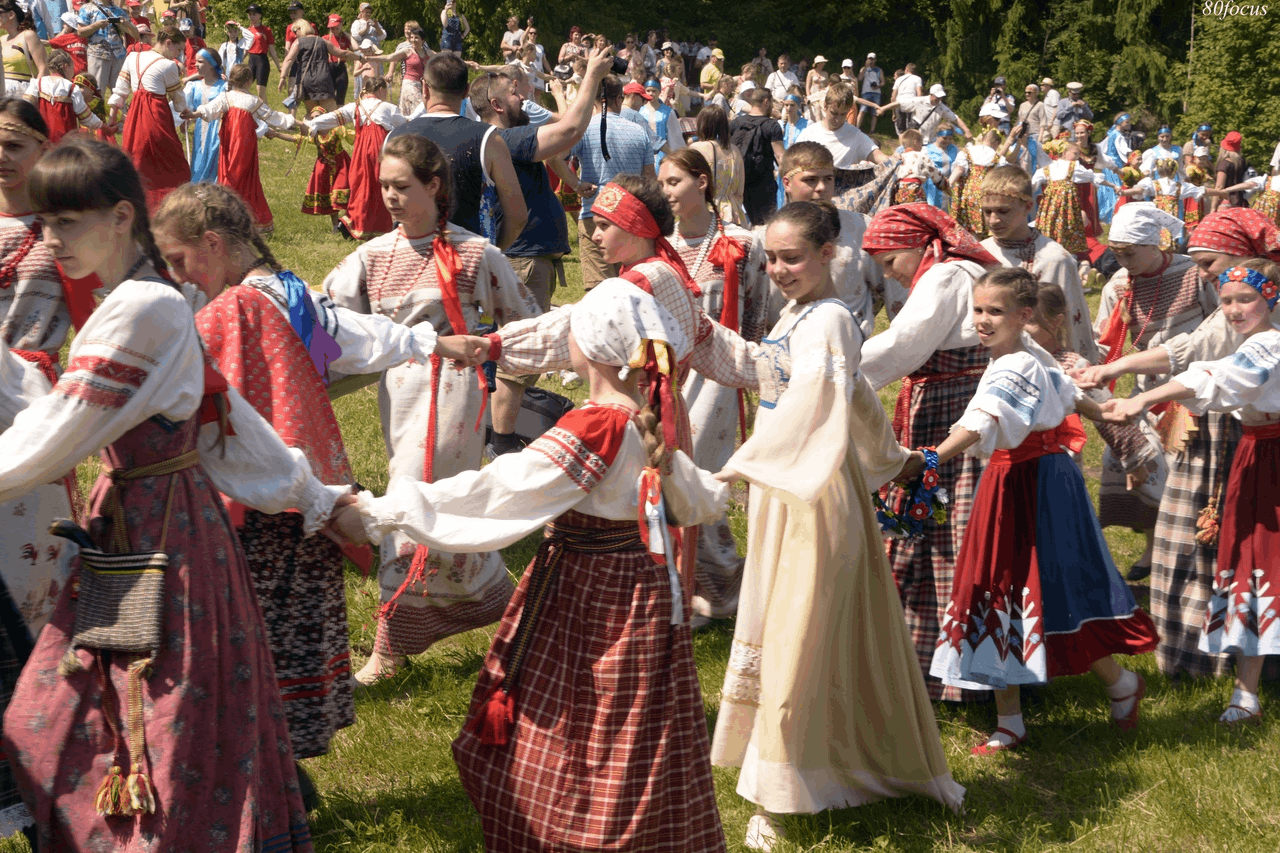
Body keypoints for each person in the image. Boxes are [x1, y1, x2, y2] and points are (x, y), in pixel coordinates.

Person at [1, 135, 345, 853]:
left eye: (66, 222)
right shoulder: (141, 301)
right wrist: (311, 491)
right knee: (112, 714)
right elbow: (226, 418)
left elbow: (57, 432)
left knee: (138, 717)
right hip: (148, 524)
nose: (50, 238)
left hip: (162, 540)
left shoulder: (143, 311)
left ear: (122, 216)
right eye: (45, 222)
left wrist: (316, 496)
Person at [329, 277, 729, 852]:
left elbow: (500, 490)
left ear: (588, 347)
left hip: (590, 596)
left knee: (573, 729)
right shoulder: (643, 420)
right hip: (643, 593)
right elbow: (696, 499)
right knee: (634, 729)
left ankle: (581, 834)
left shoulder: (598, 426)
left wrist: (376, 513)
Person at [154, 179, 477, 777]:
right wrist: (426, 339)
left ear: (214, 242)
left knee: (251, 650)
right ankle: (283, 779)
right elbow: (351, 335)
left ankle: (272, 784)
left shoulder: (236, 308)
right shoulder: (283, 291)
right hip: (307, 497)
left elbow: (212, 406)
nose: (178, 276)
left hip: (266, 500)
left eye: (180, 260)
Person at [710, 201, 964, 848]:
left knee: (801, 639)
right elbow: (851, 402)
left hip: (814, 493)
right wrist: (892, 460)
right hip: (788, 484)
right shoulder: (800, 315)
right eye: (772, 257)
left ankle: (783, 788)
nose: (779, 268)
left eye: (793, 256)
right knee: (797, 629)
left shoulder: (829, 321)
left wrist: (736, 467)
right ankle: (829, 767)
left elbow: (816, 402)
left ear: (830, 254)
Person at [324, 133, 540, 684]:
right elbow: (329, 320)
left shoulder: (474, 253)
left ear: (434, 186)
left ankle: (391, 646)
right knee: (446, 502)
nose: (391, 197)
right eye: (384, 187)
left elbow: (525, 316)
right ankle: (500, 605)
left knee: (413, 498)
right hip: (402, 393)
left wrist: (493, 356)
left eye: (402, 186)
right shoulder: (372, 256)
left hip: (459, 394)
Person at [929, 267, 1159, 752]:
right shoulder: (1027, 352)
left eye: (995, 311)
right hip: (1029, 477)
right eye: (978, 310)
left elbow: (983, 417)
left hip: (1030, 481)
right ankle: (1044, 708)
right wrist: (1100, 411)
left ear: (1024, 314)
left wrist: (930, 458)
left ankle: (1030, 713)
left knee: (1019, 585)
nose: (983, 320)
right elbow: (1067, 387)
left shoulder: (1014, 365)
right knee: (1018, 588)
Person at [1072, 207, 1280, 680]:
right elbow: (1196, 354)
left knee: (1233, 544)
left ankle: (1235, 665)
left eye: (1208, 263)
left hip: (1240, 434)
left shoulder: (1259, 317)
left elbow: (1212, 366)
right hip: (1233, 427)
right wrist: (1116, 369)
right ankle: (1222, 662)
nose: (1203, 274)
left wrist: (1134, 388)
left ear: (1242, 258)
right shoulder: (1240, 306)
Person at [860, 203, 1004, 700]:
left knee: (946, 532)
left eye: (890, 260)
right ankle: (941, 669)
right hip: (943, 406)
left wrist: (833, 371)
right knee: (933, 527)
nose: (890, 275)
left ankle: (958, 676)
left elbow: (903, 346)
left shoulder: (946, 276)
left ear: (922, 246)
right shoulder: (952, 272)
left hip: (951, 413)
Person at [469, 50, 612, 455]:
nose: (522, 102)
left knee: (515, 356)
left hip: (530, 256)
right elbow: (568, 133)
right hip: (525, 258)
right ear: (496, 104)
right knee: (518, 357)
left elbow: (561, 139)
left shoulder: (507, 139)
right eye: (514, 96)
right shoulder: (505, 140)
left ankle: (499, 436)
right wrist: (592, 78)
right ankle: (502, 444)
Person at [659, 148, 770, 626]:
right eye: (661, 184)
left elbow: (760, 309)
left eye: (673, 182)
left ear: (702, 183)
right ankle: (697, 587)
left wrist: (755, 370)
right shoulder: (659, 247)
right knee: (670, 477)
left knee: (702, 475)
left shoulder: (741, 243)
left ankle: (723, 587)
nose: (666, 192)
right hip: (666, 378)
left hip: (718, 378)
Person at [388, 53, 527, 250]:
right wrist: (492, 253)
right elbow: (517, 215)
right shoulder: (488, 138)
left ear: (425, 88)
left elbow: (392, 209)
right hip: (467, 264)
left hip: (408, 261)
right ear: (466, 92)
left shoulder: (394, 137)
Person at [980, 164, 1097, 360]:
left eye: (1003, 211)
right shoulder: (980, 254)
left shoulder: (1055, 259)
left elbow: (1074, 323)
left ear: (1027, 206)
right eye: (987, 211)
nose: (993, 220)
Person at [185, 62, 299, 232]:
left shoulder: (226, 97)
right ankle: (246, 220)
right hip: (244, 146)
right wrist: (296, 121)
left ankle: (224, 217)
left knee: (228, 176)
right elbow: (274, 118)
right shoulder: (252, 101)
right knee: (245, 179)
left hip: (228, 145)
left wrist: (194, 113)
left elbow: (209, 109)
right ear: (248, 82)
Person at [306, 74, 403, 240]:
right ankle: (380, 225)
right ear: (380, 90)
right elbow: (404, 123)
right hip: (381, 149)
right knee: (381, 184)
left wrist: (314, 124)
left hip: (361, 150)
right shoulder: (388, 107)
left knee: (361, 184)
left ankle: (356, 222)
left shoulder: (356, 107)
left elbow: (333, 118)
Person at [107, 25, 188, 209]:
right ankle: (165, 204)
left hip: (134, 119)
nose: (178, 54)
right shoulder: (168, 66)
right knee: (170, 161)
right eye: (178, 49)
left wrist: (112, 116)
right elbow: (178, 101)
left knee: (137, 159)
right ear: (168, 43)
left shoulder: (132, 57)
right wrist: (186, 112)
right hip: (156, 117)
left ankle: (137, 203)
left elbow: (120, 91)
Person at [1033, 140, 1105, 257]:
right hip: (1054, 208)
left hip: (1063, 208)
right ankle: (1059, 252)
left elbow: (1092, 177)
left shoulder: (1064, 168)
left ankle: (1062, 253)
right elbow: (1093, 177)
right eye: (1075, 154)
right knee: (1057, 227)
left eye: (1078, 154)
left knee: (1061, 227)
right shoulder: (1050, 169)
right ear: (1064, 152)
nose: (1077, 157)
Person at [21, 49, 102, 142]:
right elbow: (86, 119)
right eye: (73, 68)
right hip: (65, 141)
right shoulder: (71, 88)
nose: (73, 72)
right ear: (66, 66)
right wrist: (102, 126)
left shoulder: (37, 83)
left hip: (41, 138)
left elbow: (25, 105)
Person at [280, 19, 358, 114]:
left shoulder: (298, 42)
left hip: (306, 81)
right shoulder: (322, 41)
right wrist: (360, 58)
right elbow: (342, 53)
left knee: (311, 113)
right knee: (332, 114)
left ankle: (307, 128)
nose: (295, 35)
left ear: (301, 28)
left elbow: (288, 59)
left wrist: (283, 77)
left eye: (295, 31)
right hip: (323, 80)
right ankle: (334, 129)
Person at [301, 103, 349, 229]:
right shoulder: (315, 134)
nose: (314, 119)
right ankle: (335, 226)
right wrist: (277, 134)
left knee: (342, 192)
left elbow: (352, 136)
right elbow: (297, 139)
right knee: (329, 196)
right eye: (312, 117)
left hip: (341, 165)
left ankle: (349, 221)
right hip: (324, 168)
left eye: (317, 116)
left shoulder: (336, 130)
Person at [75, 0, 136, 99]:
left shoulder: (119, 11)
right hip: (98, 55)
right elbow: (80, 32)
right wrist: (96, 25)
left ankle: (122, 113)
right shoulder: (87, 8)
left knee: (120, 91)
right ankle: (98, 113)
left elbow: (135, 34)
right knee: (97, 91)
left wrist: (126, 25)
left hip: (118, 55)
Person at [878, 83, 971, 146]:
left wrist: (967, 131)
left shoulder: (942, 107)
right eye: (937, 97)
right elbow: (899, 103)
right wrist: (883, 108)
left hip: (930, 142)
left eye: (941, 97)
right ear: (931, 94)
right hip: (915, 141)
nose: (939, 99)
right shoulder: (919, 101)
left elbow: (955, 118)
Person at [182, 46, 225, 183]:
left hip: (217, 131)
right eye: (196, 61)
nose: (196, 65)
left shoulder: (224, 86)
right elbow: (186, 108)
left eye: (200, 62)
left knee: (214, 160)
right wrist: (185, 121)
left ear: (211, 64)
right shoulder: (193, 86)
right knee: (198, 160)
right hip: (200, 130)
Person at [1, 0, 47, 97]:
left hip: (23, 94)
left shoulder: (29, 36)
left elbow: (43, 68)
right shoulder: (1, 40)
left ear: (11, 14)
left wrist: (32, 95)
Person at [892, 128, 946, 206]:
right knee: (918, 214)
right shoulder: (921, 156)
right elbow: (933, 171)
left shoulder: (899, 158)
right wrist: (944, 185)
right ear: (915, 143)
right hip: (914, 189)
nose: (922, 146)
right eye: (921, 143)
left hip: (899, 191)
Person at [1213, 130, 1249, 213]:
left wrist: (1213, 208)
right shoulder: (1241, 162)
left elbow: (1219, 187)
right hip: (1241, 202)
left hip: (1226, 203)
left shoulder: (1224, 164)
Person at [321, 14, 352, 105]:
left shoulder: (344, 38)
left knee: (340, 96)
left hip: (341, 67)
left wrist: (348, 36)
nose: (334, 30)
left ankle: (339, 116)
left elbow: (356, 49)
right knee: (328, 97)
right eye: (332, 28)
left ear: (341, 25)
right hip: (328, 67)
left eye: (336, 28)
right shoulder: (325, 38)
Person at [48, 11, 89, 76]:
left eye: (65, 23)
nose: (63, 25)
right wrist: (64, 30)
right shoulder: (65, 38)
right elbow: (53, 42)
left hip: (83, 74)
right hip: (71, 73)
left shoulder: (84, 38)